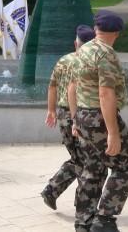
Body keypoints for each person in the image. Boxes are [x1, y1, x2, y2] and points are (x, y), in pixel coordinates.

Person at [69, 11, 128, 232]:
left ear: (96, 28)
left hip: (82, 115)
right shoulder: (106, 54)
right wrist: (113, 132)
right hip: (100, 117)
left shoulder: (82, 50)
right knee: (126, 165)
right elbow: (105, 94)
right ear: (116, 33)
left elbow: (72, 88)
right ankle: (105, 220)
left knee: (92, 167)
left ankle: (83, 221)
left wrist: (75, 120)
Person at [41, 25, 97, 211]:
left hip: (63, 114)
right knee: (86, 160)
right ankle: (79, 203)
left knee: (79, 158)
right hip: (80, 115)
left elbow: (52, 87)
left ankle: (53, 190)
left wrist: (51, 110)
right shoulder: (90, 63)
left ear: (76, 43)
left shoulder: (64, 60)